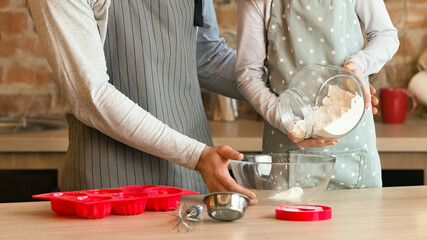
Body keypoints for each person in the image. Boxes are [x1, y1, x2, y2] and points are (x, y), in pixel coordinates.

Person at [26, 0, 256, 203]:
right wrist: (196, 156)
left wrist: (284, 83)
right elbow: (91, 96)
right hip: (107, 194)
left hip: (193, 184)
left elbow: (206, 57)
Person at [236, 0, 399, 189]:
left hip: (356, 147)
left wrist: (359, 66)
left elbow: (386, 35)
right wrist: (288, 121)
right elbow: (248, 75)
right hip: (287, 150)